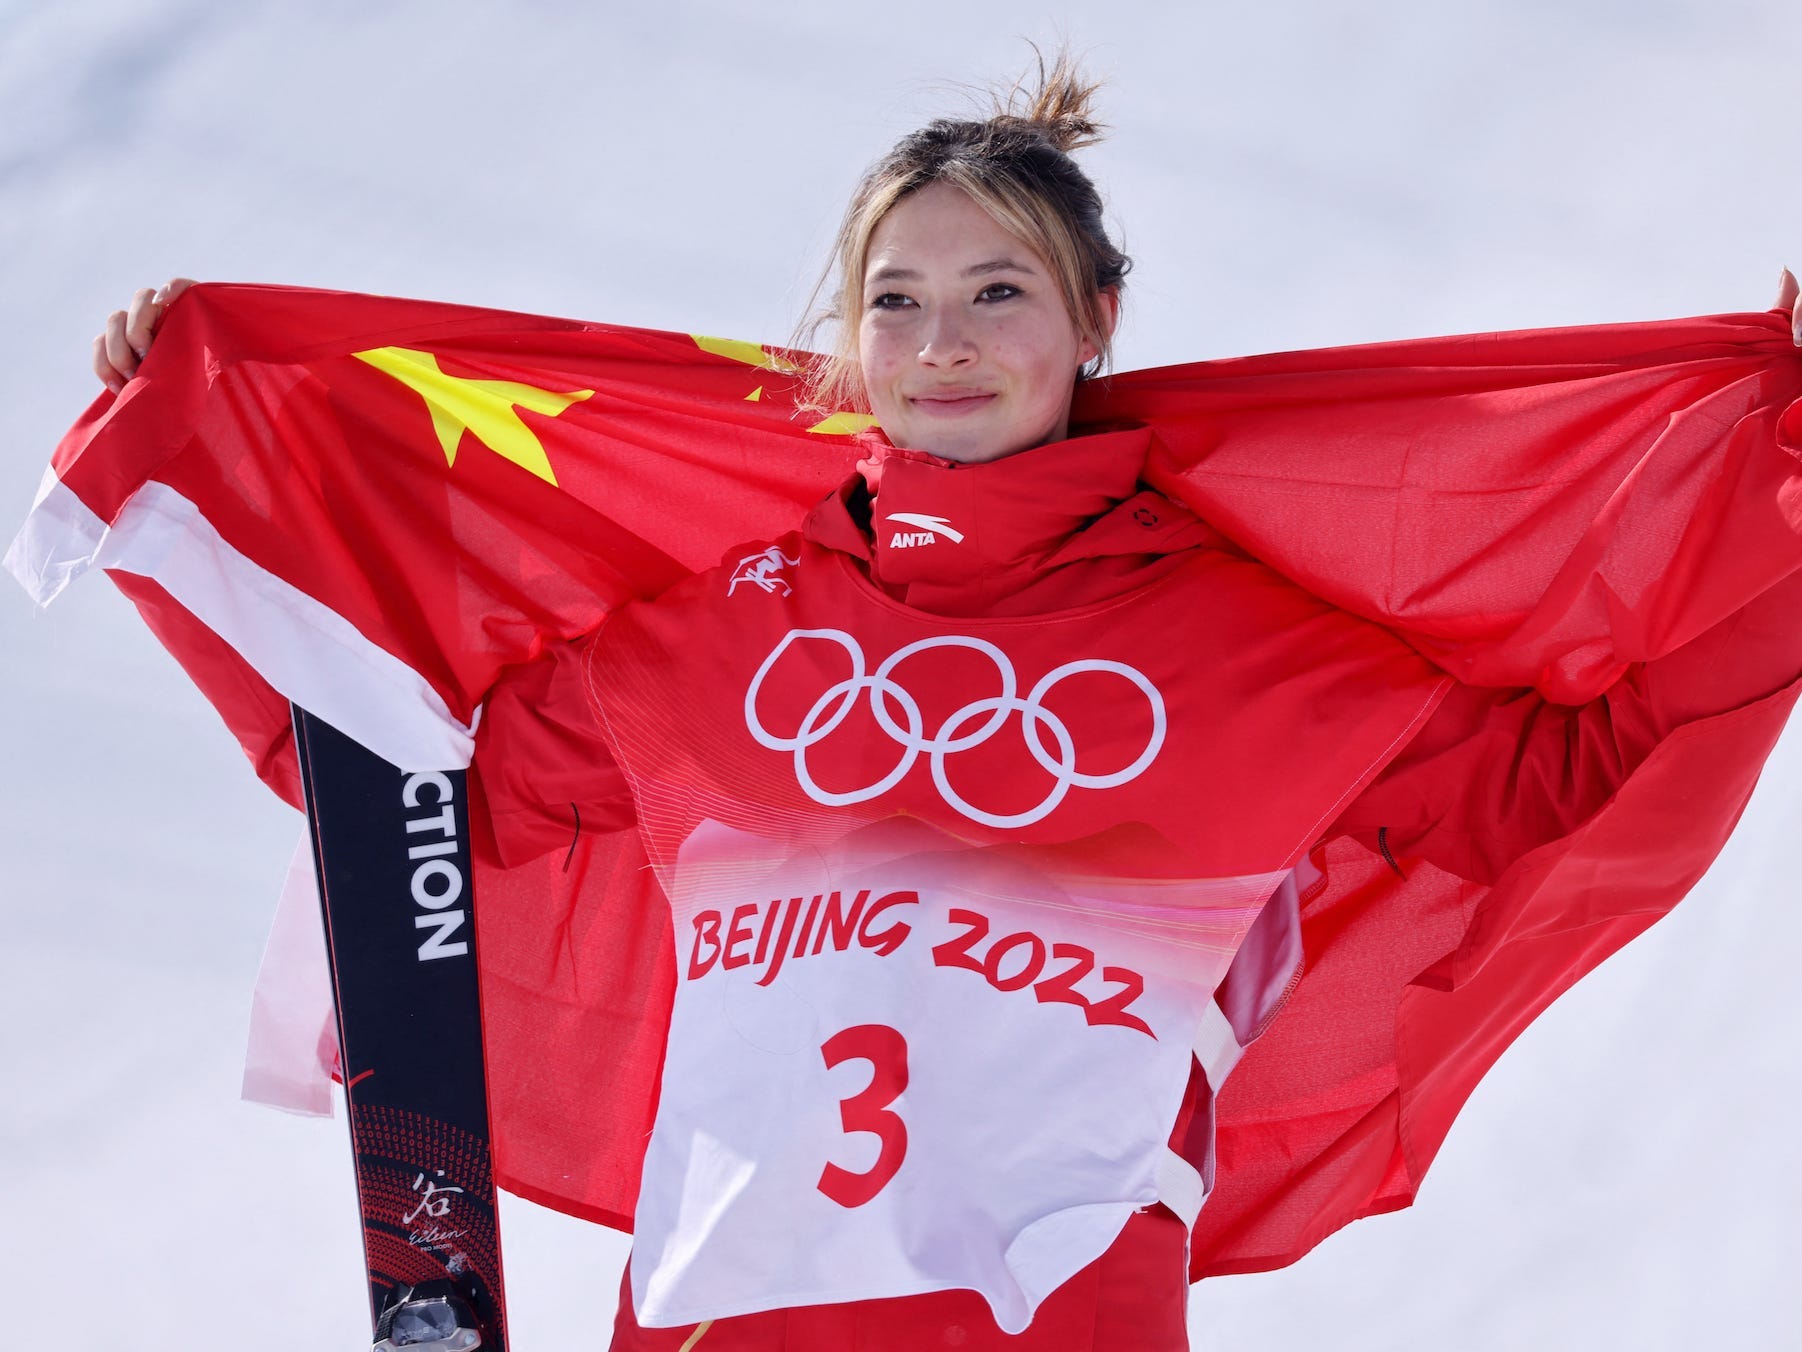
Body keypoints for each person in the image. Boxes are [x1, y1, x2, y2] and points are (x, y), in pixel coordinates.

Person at [85, 54, 1802, 1352]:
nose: (940, 345)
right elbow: (400, 801)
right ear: (844, 342)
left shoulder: (1242, 642)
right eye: (895, 302)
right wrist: (194, 492)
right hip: (711, 1311)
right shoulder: (711, 637)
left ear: (1095, 322)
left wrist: (1783, 507)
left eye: (997, 294)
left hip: (1049, 1312)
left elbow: (1581, 780)